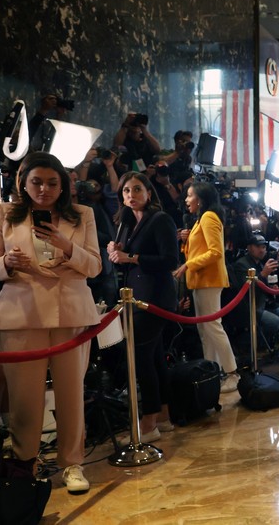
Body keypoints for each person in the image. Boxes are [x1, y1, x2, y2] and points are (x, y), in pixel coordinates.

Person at [0, 151, 102, 493]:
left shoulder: (82, 215)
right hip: (22, 312)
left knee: (70, 392)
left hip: (71, 312)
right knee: (24, 396)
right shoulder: (4, 214)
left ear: (64, 185)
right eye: (36, 181)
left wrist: (68, 248)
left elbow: (95, 266)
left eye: (52, 183)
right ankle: (25, 462)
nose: (44, 189)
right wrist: (5, 261)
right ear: (23, 182)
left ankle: (72, 463)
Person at [108, 172, 178, 443]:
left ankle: (148, 424)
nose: (131, 196)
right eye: (126, 191)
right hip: (136, 296)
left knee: (140, 357)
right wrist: (115, 253)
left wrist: (132, 257)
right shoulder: (126, 223)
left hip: (155, 298)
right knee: (155, 356)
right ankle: (163, 416)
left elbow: (170, 260)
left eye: (137, 190)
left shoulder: (160, 220)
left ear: (149, 193)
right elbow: (122, 263)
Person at [173, 182, 239, 392]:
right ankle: (213, 372)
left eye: (190, 195)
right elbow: (201, 249)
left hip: (209, 280)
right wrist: (186, 241)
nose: (186, 199)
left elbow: (215, 252)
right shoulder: (201, 219)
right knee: (205, 329)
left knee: (212, 326)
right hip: (202, 280)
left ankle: (231, 373)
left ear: (200, 198)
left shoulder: (209, 217)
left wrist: (188, 264)